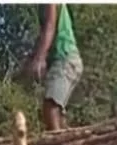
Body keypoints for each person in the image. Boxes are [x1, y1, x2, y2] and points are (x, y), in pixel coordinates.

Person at [22, 4, 81, 132]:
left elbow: (50, 26)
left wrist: (40, 58)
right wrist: (33, 56)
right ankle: (66, 143)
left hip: (65, 57)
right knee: (57, 111)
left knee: (51, 105)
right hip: (66, 59)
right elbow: (45, 33)